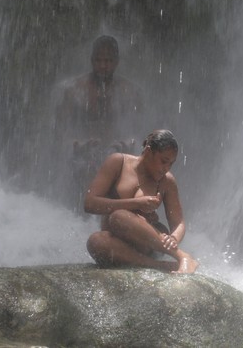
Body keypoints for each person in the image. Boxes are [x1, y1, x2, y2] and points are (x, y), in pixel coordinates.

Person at [84, 129, 198, 274]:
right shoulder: (118, 162)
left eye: (171, 164)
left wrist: (173, 238)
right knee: (96, 241)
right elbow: (90, 203)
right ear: (149, 151)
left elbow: (179, 222)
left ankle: (182, 256)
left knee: (119, 216)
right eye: (163, 161)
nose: (166, 168)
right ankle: (160, 266)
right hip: (118, 243)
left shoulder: (167, 181)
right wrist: (136, 203)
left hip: (149, 244)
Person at [56, 35, 144, 204]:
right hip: (83, 152)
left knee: (124, 167)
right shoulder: (75, 90)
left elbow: (140, 130)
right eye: (99, 60)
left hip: (117, 152)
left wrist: (130, 142)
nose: (103, 65)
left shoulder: (130, 92)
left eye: (108, 61)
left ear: (117, 62)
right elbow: (60, 130)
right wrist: (74, 143)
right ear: (91, 60)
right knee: (84, 163)